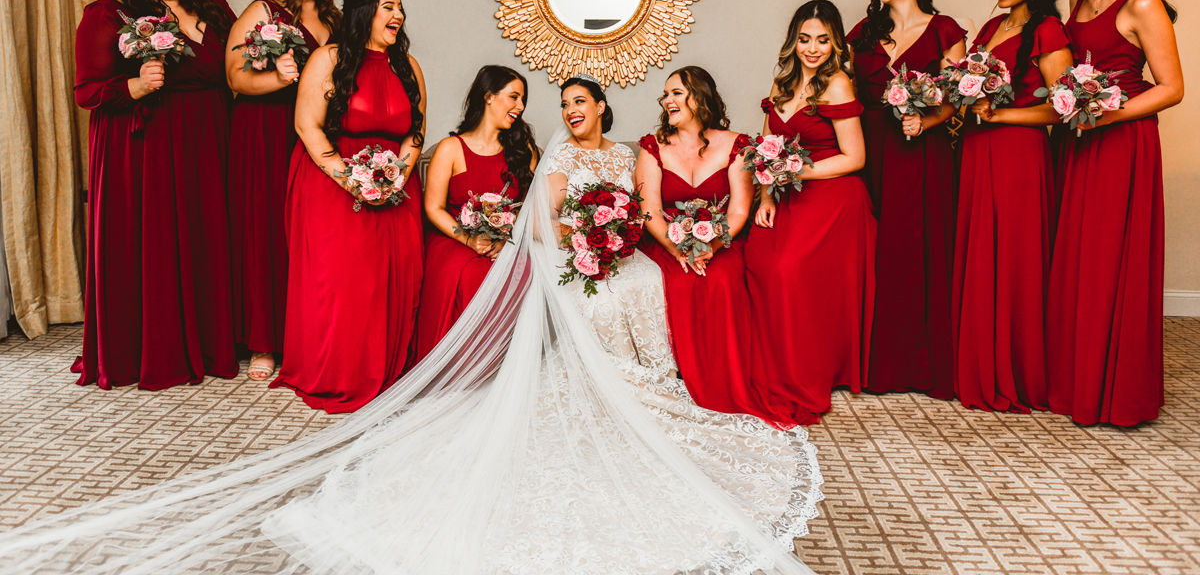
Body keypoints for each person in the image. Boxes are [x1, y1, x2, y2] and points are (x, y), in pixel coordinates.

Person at [0, 77, 825, 575]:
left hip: (615, 252)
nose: (571, 112)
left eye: (582, 101)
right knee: (592, 296)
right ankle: (597, 378)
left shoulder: (624, 153)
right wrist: (585, 241)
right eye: (561, 103)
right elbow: (541, 227)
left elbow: (639, 212)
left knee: (637, 285)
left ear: (604, 105)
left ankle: (652, 381)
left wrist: (617, 239)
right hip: (573, 256)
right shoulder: (558, 160)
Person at [73, 0, 237, 390]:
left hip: (209, 136)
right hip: (149, 146)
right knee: (159, 242)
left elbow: (235, 60)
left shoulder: (209, 2)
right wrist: (136, 85)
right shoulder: (106, 15)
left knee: (207, 236)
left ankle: (211, 341)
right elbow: (86, 91)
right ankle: (154, 346)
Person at [1047, 0, 1184, 426]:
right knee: (1075, 255)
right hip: (1078, 138)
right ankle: (1075, 379)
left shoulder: (1144, 2)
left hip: (1121, 142)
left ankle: (1113, 391)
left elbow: (1172, 88)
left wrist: (1105, 115)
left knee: (1107, 257)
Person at [270, 0, 427, 413]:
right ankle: (338, 370)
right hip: (333, 181)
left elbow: (416, 132)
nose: (398, 15)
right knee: (344, 283)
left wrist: (395, 177)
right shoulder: (328, 59)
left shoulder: (408, 66)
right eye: (388, 7)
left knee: (394, 279)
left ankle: (387, 368)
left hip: (395, 186)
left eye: (400, 7)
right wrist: (354, 180)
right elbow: (307, 125)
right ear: (364, 12)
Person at [952, 0, 1072, 414]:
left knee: (1014, 256)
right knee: (981, 250)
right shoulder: (991, 28)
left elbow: (1063, 109)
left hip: (1018, 154)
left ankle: (1015, 370)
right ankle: (979, 360)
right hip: (978, 149)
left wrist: (1003, 115)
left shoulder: (1048, 30)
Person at [745, 0, 876, 424]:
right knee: (757, 258)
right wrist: (766, 198)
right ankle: (772, 362)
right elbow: (767, 148)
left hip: (833, 193)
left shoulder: (837, 83)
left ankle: (803, 368)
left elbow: (855, 157)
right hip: (786, 193)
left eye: (822, 40)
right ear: (793, 41)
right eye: (804, 39)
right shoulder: (781, 83)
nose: (812, 48)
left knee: (788, 267)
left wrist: (798, 170)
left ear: (835, 42)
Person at [848, 0, 966, 400]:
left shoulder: (944, 30)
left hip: (922, 152)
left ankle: (922, 362)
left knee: (921, 248)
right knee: (878, 250)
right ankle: (877, 361)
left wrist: (927, 121)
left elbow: (956, 98)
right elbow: (844, 91)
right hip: (872, 150)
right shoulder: (863, 34)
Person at [634, 66, 780, 423]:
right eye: (665, 95)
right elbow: (649, 210)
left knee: (723, 280)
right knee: (679, 280)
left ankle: (723, 382)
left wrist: (710, 247)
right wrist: (677, 249)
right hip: (667, 242)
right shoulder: (652, 147)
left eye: (676, 93)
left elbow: (739, 210)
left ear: (699, 97)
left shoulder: (737, 145)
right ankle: (681, 382)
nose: (667, 100)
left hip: (721, 242)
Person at [226, 0, 340, 382]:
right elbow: (234, 77)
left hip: (316, 131)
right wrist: (277, 78)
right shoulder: (263, 12)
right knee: (269, 230)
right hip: (267, 131)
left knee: (312, 233)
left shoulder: (334, 19)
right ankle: (264, 342)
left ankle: (307, 333)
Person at [410, 65, 537, 366]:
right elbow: (433, 208)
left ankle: (505, 368)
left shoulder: (523, 150)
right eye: (514, 97)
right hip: (453, 237)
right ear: (489, 96)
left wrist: (506, 240)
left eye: (523, 100)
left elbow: (529, 206)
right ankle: (463, 366)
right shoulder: (451, 148)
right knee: (474, 274)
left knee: (525, 270)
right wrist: (469, 240)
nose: (520, 106)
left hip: (505, 240)